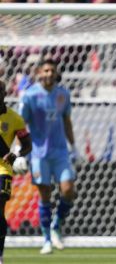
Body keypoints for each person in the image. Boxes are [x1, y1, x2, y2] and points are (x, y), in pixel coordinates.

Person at [19, 59, 78, 254]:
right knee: (45, 195)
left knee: (68, 190)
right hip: (38, 154)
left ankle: (56, 226)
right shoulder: (30, 96)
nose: (49, 73)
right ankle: (46, 240)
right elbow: (21, 125)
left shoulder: (63, 94)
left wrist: (74, 146)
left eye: (52, 70)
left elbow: (67, 121)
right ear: (39, 72)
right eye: (46, 70)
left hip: (60, 152)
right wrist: (18, 152)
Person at [0, 80, 32, 264]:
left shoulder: (14, 118)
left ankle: (0, 256)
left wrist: (17, 154)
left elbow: (27, 144)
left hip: (2, 168)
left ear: (4, 93)